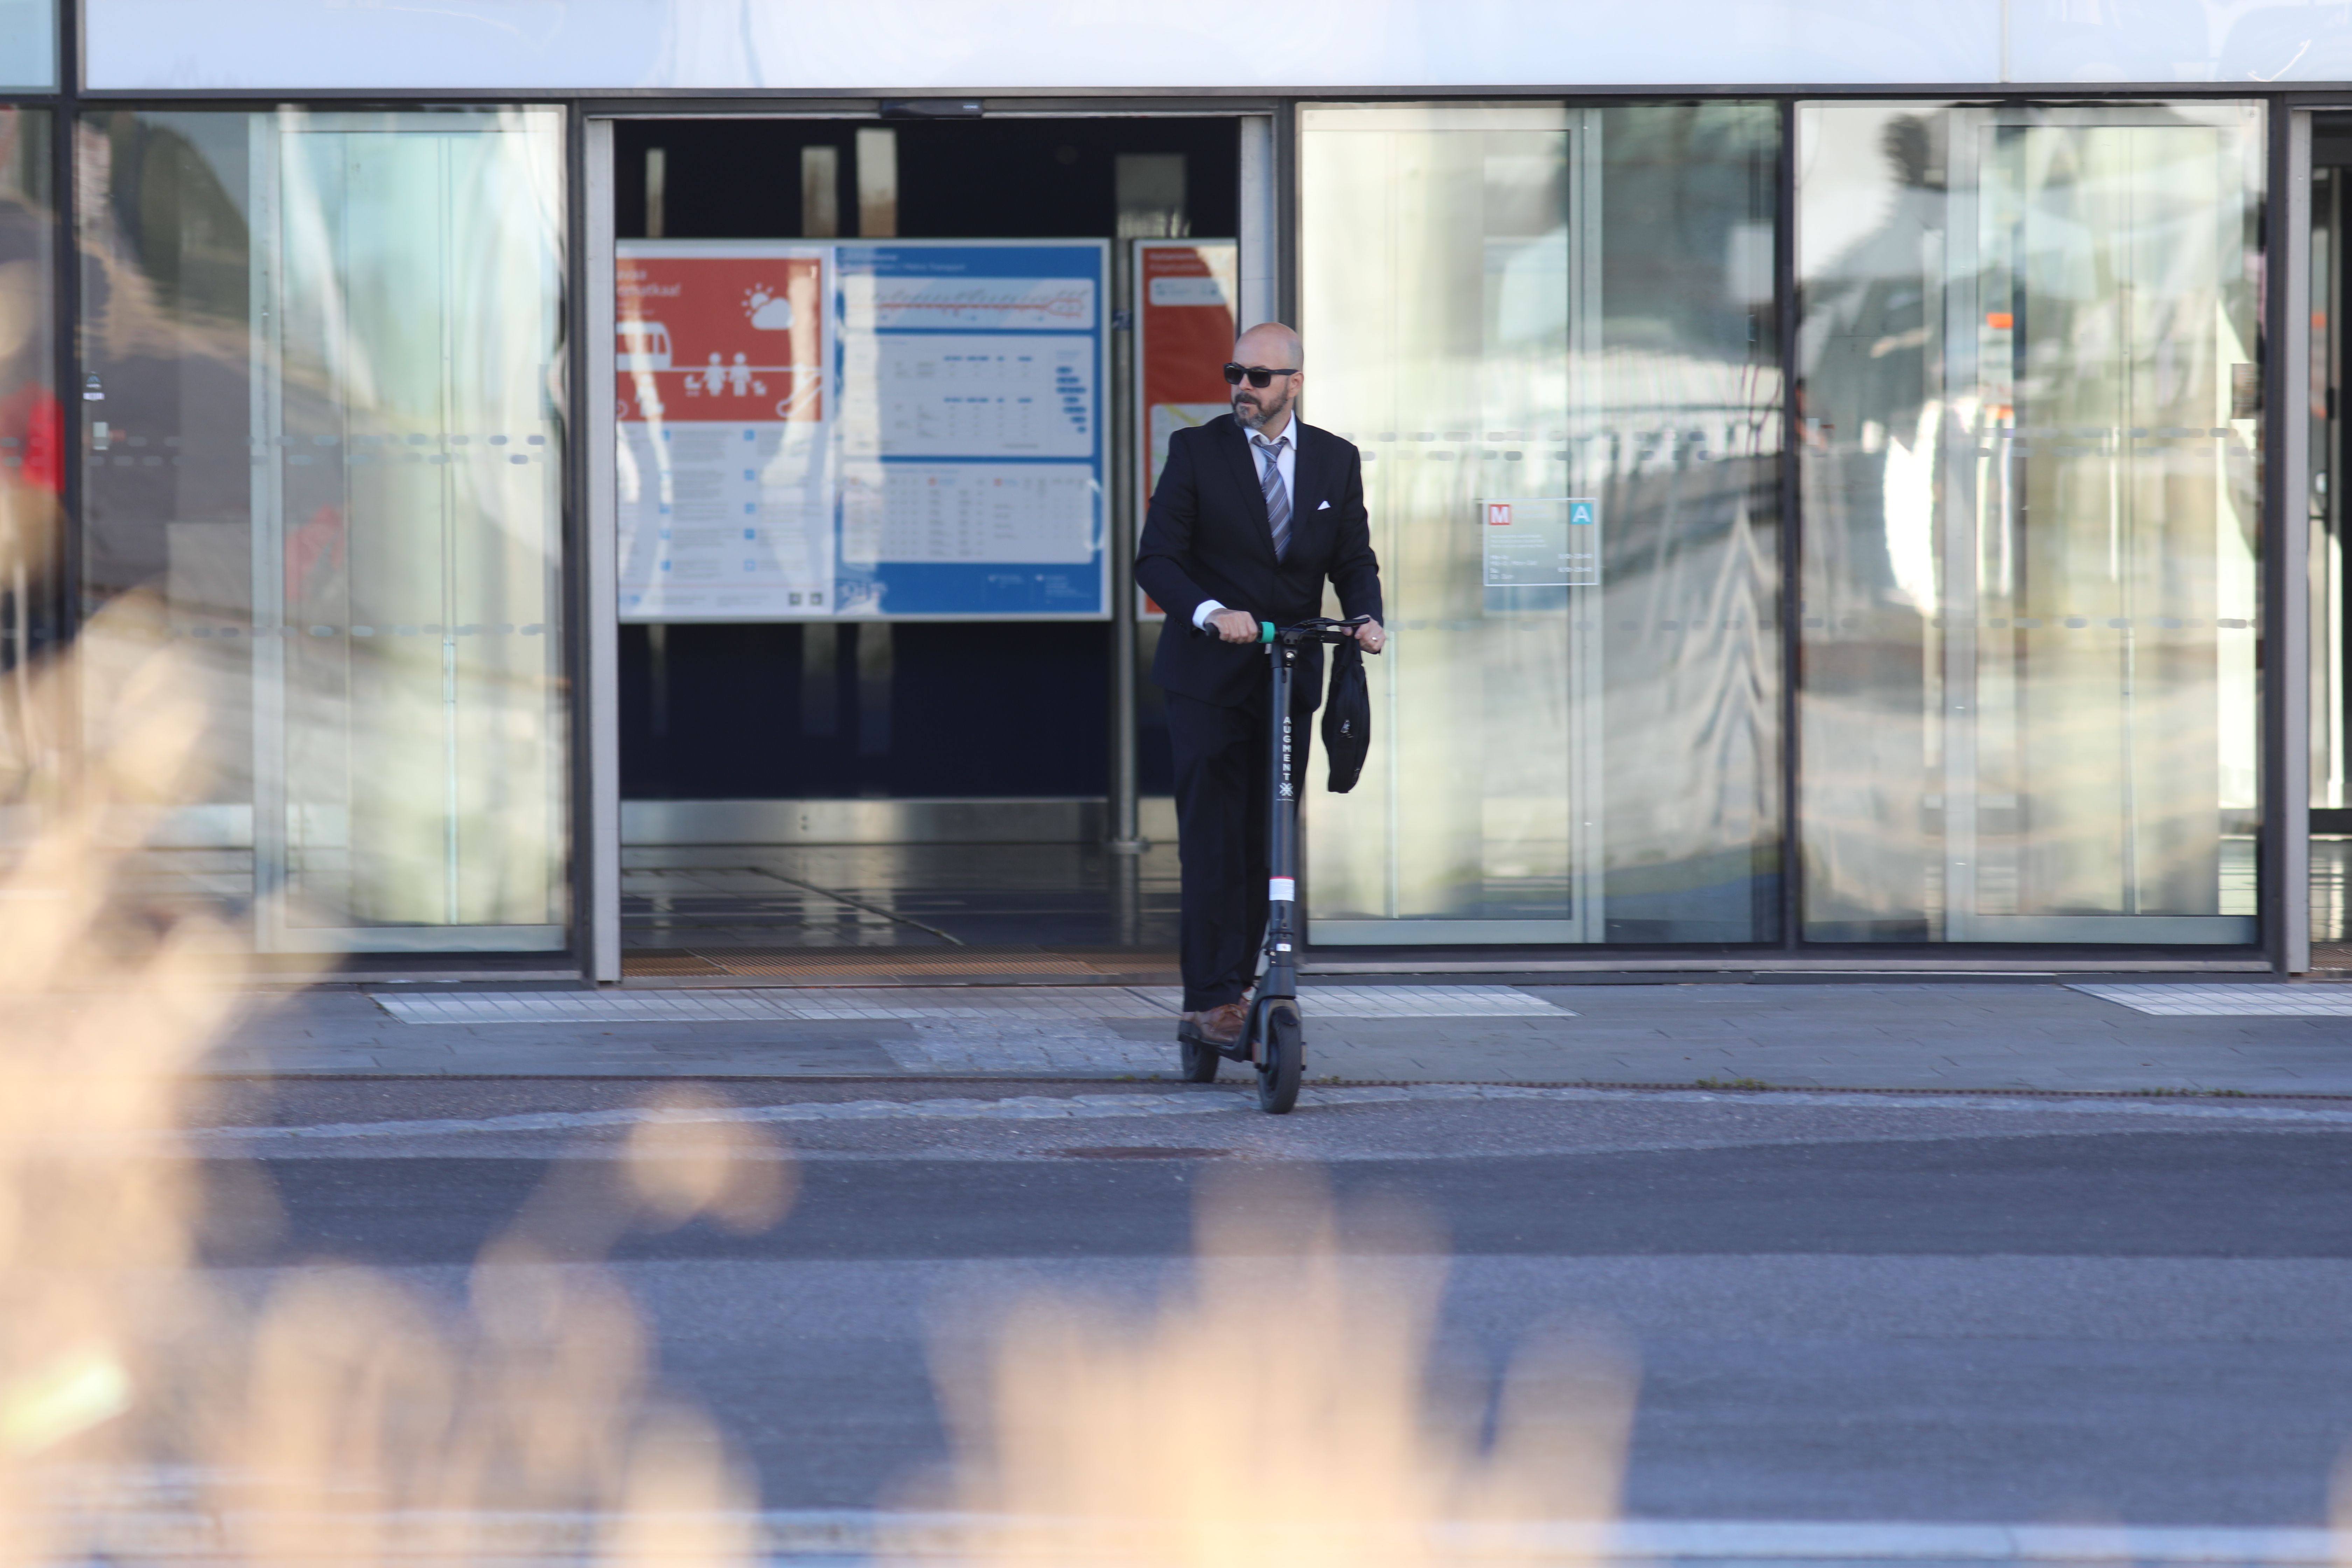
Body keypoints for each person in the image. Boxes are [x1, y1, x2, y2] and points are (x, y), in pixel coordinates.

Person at [1134, 322, 1386, 1048]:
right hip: (1208, 677)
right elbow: (1158, 559)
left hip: (1287, 677)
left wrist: (1365, 617)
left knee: (1266, 837)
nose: (1243, 386)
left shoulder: (1336, 460)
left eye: (1260, 376)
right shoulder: (1197, 451)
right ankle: (1209, 999)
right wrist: (1215, 614)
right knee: (1214, 839)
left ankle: (1244, 986)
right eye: (1234, 372)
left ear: (1294, 385)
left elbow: (1354, 556)